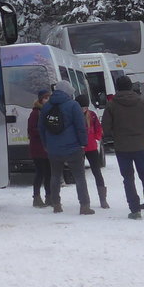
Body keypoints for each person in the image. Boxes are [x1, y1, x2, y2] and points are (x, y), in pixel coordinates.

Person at [101, 75, 144, 219]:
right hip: (140, 146)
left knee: (128, 179)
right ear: (131, 86)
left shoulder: (112, 104)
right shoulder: (143, 102)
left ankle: (135, 210)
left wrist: (115, 137)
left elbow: (106, 128)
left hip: (122, 147)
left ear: (117, 87)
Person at [39, 80, 92, 214]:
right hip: (73, 148)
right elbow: (81, 127)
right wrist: (83, 143)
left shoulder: (46, 107)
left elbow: (41, 128)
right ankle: (84, 205)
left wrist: (46, 144)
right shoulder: (73, 105)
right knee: (79, 176)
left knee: (55, 176)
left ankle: (56, 204)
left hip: (53, 149)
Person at [76, 93, 109, 208]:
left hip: (91, 147)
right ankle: (84, 200)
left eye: (85, 107)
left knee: (97, 172)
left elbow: (99, 129)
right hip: (79, 148)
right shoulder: (74, 116)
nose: (83, 110)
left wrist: (96, 138)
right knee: (80, 174)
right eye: (81, 107)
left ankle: (103, 199)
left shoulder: (92, 116)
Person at [28, 88, 52, 207]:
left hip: (46, 148)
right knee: (40, 172)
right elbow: (31, 130)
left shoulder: (46, 111)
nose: (47, 100)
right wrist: (44, 131)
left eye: (48, 98)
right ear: (40, 99)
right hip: (38, 148)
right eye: (45, 98)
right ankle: (36, 197)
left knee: (48, 173)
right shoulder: (35, 113)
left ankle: (49, 196)